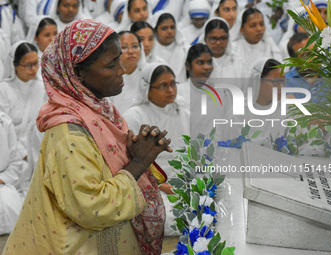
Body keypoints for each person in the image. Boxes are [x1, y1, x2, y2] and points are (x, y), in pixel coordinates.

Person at [3, 19, 171, 255]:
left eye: (119, 60)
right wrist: (138, 162)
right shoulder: (68, 131)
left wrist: (131, 153)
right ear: (78, 73)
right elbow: (93, 207)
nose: (122, 70)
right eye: (111, 65)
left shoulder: (100, 111)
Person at [123, 63, 189, 236]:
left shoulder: (183, 112)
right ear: (147, 88)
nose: (170, 90)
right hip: (151, 189)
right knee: (169, 220)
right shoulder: (134, 116)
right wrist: (162, 187)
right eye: (163, 86)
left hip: (183, 185)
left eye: (173, 84)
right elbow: (129, 162)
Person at [0, 41, 45, 160]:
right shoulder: (3, 90)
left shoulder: (42, 88)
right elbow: (4, 130)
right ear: (14, 65)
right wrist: (23, 154)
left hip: (38, 152)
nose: (34, 68)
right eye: (28, 65)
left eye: (36, 63)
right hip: (9, 154)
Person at [0, 111, 28, 235]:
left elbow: (16, 163)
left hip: (3, 183)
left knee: (11, 208)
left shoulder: (5, 122)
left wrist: (2, 179)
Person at [109, 30, 145, 113]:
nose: (131, 51)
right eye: (124, 47)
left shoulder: (148, 76)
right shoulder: (108, 78)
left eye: (135, 46)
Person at [153, 12, 187, 83]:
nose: (169, 31)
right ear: (155, 31)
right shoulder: (150, 50)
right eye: (164, 28)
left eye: (172, 27)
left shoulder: (184, 49)